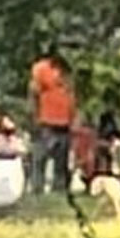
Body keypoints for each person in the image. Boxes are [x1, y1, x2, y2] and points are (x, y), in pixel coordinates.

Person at [27, 52, 77, 194]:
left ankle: (59, 189)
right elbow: (33, 93)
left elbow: (73, 96)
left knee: (62, 161)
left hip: (65, 122)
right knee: (41, 157)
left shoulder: (69, 71)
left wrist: (74, 118)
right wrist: (34, 116)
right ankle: (37, 188)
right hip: (46, 121)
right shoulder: (42, 68)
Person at [88, 112, 120, 220]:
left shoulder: (98, 144)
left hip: (101, 176)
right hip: (114, 175)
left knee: (107, 198)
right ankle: (118, 217)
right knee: (116, 198)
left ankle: (99, 215)